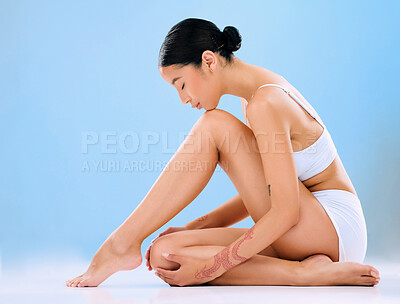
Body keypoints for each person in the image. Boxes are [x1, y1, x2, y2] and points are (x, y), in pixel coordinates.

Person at [66, 18, 380, 288]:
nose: (183, 99)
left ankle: (120, 243)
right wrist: (194, 229)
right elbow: (267, 190)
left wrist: (209, 269)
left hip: (334, 230)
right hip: (308, 233)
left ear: (209, 61)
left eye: (181, 84)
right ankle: (308, 269)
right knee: (168, 255)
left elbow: (286, 211)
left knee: (213, 125)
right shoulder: (253, 100)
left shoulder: (266, 103)